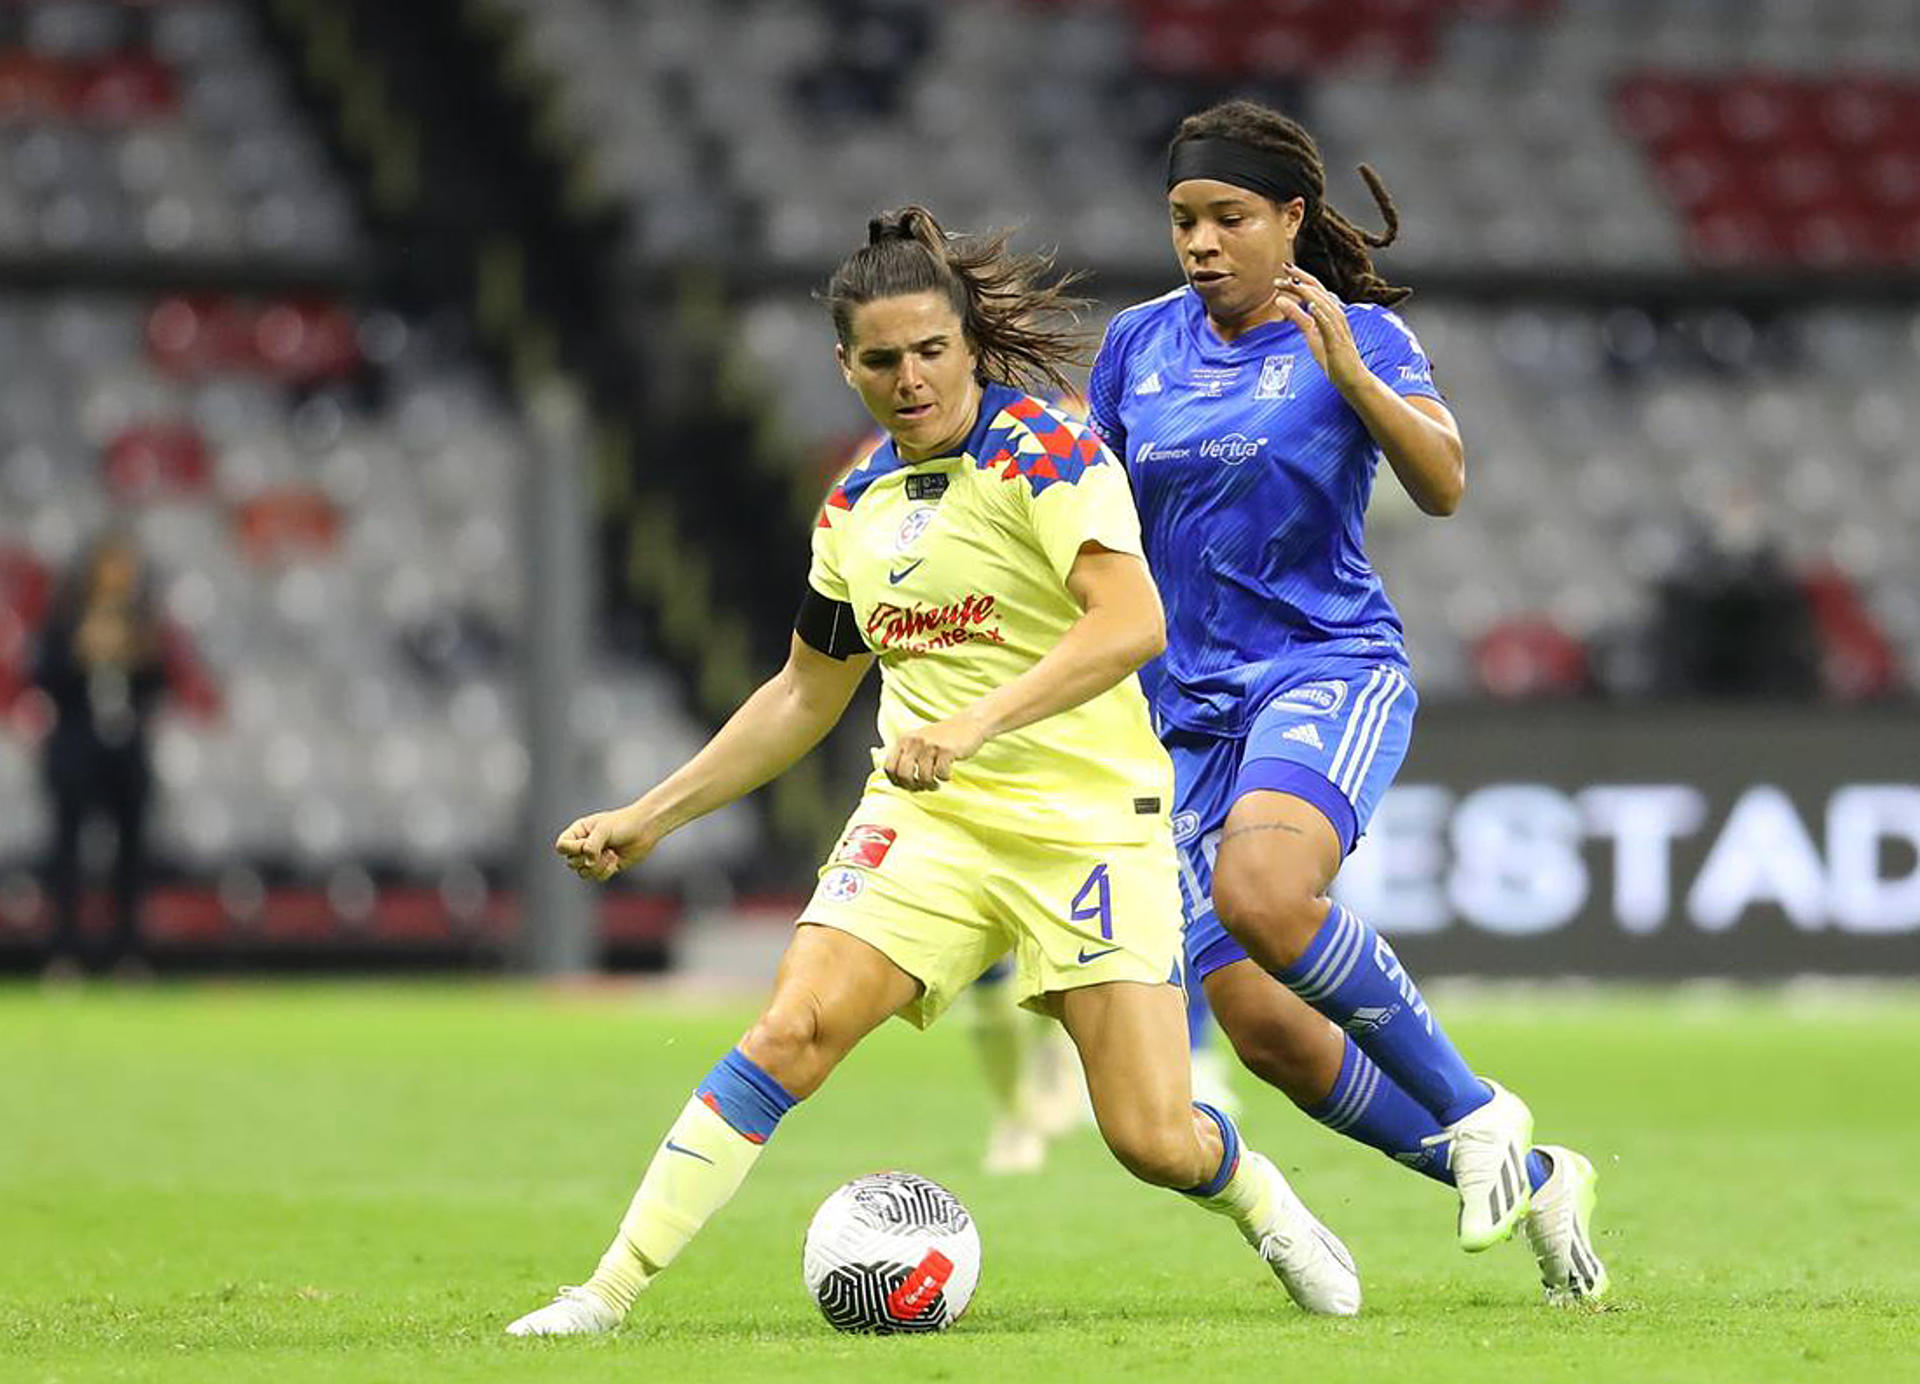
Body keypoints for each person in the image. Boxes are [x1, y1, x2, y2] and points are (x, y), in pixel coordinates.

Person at [505, 206, 1359, 1336]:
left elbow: (1131, 624)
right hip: (932, 827)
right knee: (790, 1031)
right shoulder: (855, 504)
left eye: (930, 351)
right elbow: (806, 692)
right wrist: (651, 814)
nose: (910, 378)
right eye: (881, 359)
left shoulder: (1048, 451)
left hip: (1090, 824)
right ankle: (603, 1294)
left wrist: (972, 724)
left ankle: (1262, 1196)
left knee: (1154, 1138)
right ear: (844, 365)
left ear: (965, 342)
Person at [1085, 101, 1608, 1303]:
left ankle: (1479, 1110)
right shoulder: (1136, 346)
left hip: (1325, 668)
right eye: (1183, 220)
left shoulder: (1353, 332)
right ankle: (1533, 1171)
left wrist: (1354, 377)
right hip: (1189, 716)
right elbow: (1091, 517)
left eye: (1228, 217)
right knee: (1263, 1030)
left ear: (1291, 220)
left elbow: (1444, 484)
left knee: (1266, 892)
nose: (1202, 242)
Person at [33, 530, 168, 980]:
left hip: (126, 754)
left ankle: (127, 952)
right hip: (76, 751)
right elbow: (43, 679)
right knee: (67, 855)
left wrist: (135, 654)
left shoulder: (141, 624)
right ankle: (65, 953)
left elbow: (160, 685)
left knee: (131, 857)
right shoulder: (66, 622)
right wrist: (84, 652)